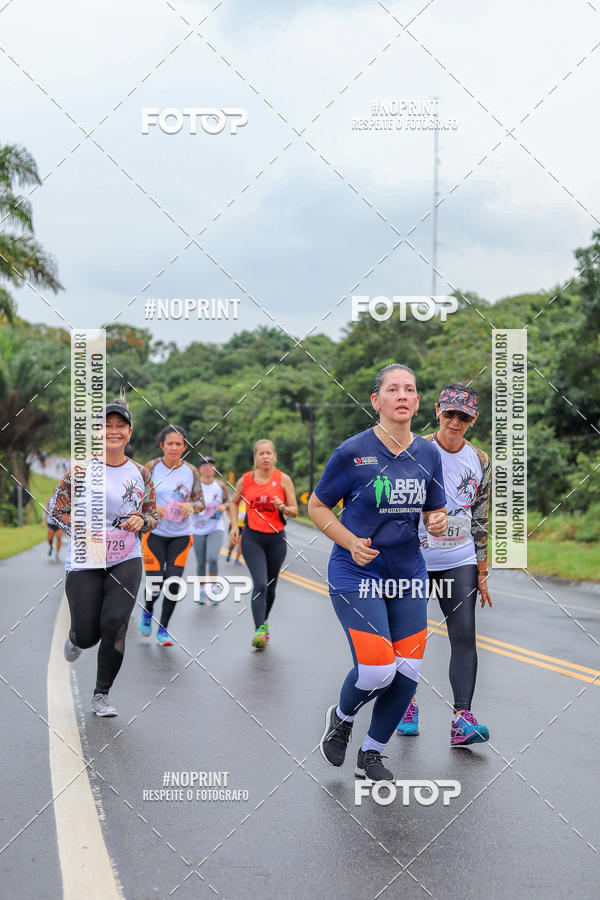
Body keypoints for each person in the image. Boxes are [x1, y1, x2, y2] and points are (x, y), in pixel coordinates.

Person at [309, 364, 447, 782]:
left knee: (406, 674)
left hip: (407, 575)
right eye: (393, 389)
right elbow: (317, 506)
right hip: (356, 572)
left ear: (418, 401)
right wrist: (350, 541)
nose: (402, 395)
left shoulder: (428, 453)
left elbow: (434, 509)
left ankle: (372, 754)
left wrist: (437, 521)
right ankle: (342, 716)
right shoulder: (352, 452)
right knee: (376, 670)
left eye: (410, 389)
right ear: (377, 401)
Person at [396, 383, 492, 746]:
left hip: (459, 559)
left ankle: (462, 719)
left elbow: (481, 517)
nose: (455, 421)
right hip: (415, 559)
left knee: (464, 636)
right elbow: (396, 505)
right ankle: (407, 704)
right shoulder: (415, 450)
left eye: (463, 416)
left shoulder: (480, 460)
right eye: (449, 413)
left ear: (473, 419)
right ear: (437, 410)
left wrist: (482, 570)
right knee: (409, 635)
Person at [50, 397, 158, 717]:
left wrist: (142, 521)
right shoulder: (80, 472)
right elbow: (58, 511)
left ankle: (101, 694)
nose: (114, 431)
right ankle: (75, 637)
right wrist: (81, 529)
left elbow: (153, 515)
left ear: (130, 431)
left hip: (125, 557)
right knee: (87, 634)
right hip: (86, 558)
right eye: (106, 425)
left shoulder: (141, 473)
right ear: (97, 432)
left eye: (120, 425)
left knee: (115, 624)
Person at [229, 440, 298, 649]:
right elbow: (234, 502)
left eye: (269, 453)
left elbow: (295, 510)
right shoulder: (246, 480)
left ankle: (263, 623)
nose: (265, 456)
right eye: (261, 453)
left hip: (276, 539)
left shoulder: (283, 479)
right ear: (255, 458)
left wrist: (283, 507)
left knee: (271, 586)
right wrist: (234, 526)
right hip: (252, 538)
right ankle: (259, 629)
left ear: (275, 457)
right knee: (260, 584)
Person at [139, 425, 204, 645]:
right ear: (162, 445)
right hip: (154, 533)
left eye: (179, 444)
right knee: (155, 583)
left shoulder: (191, 471)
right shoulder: (150, 468)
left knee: (173, 582)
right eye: (170, 443)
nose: (174, 447)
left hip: (182, 535)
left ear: (184, 447)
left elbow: (200, 502)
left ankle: (164, 628)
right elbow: (136, 498)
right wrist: (152, 507)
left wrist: (191, 507)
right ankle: (148, 610)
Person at [192, 456, 229, 605]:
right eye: (205, 465)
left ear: (214, 468)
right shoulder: (194, 486)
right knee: (201, 562)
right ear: (200, 469)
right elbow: (186, 502)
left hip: (216, 526)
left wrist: (224, 507)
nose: (208, 468)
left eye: (211, 465)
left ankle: (213, 590)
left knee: (212, 558)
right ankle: (202, 591)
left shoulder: (220, 485)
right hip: (198, 528)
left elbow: (227, 501)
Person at [42, 493, 62, 559]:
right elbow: (45, 511)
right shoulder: (49, 501)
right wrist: (43, 521)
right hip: (50, 523)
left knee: (59, 537)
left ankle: (57, 553)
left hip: (59, 523)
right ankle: (51, 547)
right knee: (50, 539)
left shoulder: (62, 501)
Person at [226, 499, 245, 564]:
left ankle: (237, 559)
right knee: (233, 544)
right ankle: (229, 552)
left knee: (241, 544)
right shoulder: (234, 502)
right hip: (234, 526)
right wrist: (231, 517)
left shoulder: (247, 503)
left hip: (242, 527)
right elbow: (227, 509)